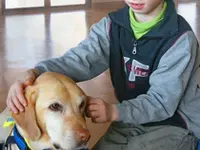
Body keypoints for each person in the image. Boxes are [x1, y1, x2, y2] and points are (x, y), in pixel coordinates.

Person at [6, 0, 200, 149]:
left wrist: (115, 111)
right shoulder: (111, 26)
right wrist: (33, 74)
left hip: (177, 125)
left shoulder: (180, 40)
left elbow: (161, 102)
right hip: (129, 121)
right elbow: (78, 61)